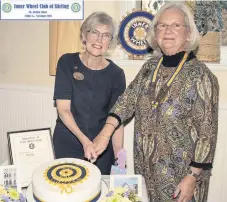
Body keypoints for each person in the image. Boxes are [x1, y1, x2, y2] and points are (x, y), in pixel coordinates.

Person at [92, 2, 219, 202]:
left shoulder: (202, 76)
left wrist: (193, 176)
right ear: (155, 33)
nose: (168, 30)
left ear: (188, 34)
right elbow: (126, 102)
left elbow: (207, 134)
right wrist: (105, 134)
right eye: (162, 25)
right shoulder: (149, 68)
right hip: (147, 170)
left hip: (182, 176)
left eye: (176, 25)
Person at [53, 12, 126, 175]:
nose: (99, 40)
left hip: (101, 148)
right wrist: (85, 142)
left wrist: (119, 156)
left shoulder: (116, 74)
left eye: (106, 35)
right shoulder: (66, 62)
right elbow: (63, 109)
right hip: (68, 143)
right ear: (84, 35)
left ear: (110, 42)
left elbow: (116, 118)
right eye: (94, 32)